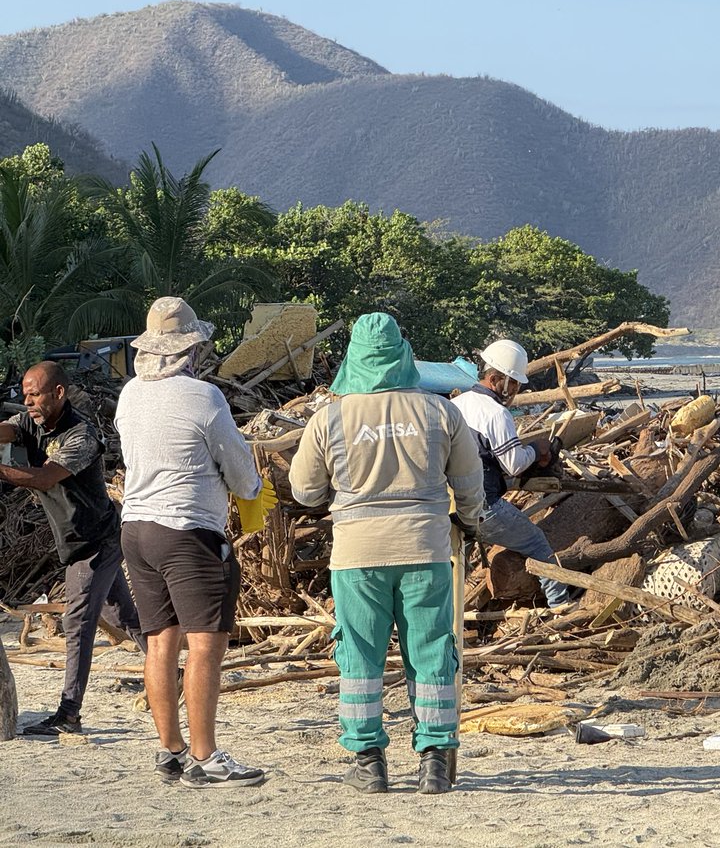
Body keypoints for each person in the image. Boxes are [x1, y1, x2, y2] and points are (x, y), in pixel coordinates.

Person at [289, 313, 485, 795]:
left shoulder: (329, 417)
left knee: (359, 656)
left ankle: (368, 761)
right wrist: (471, 521)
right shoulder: (441, 412)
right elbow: (470, 487)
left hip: (357, 554)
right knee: (433, 650)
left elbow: (304, 491)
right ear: (403, 353)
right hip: (426, 547)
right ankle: (436, 762)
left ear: (354, 357)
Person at [115, 297, 267, 787]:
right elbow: (241, 471)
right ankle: (206, 757)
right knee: (205, 645)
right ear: (189, 349)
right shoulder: (203, 398)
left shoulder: (130, 394)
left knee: (160, 641)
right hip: (187, 532)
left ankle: (170, 749)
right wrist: (251, 494)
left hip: (136, 530)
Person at [0, 361, 146, 737]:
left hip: (96, 542)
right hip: (81, 540)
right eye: (25, 394)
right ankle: (173, 672)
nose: (27, 401)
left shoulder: (81, 434)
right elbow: (7, 431)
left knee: (77, 623)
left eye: (34, 395)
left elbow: (45, 478)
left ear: (59, 393)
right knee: (124, 618)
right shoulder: (32, 422)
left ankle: (69, 713)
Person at [451, 339, 575, 612]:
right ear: (495, 379)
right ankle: (560, 609)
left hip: (450, 506)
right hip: (484, 507)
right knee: (539, 546)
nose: (515, 390)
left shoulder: (457, 404)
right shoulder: (496, 414)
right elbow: (513, 464)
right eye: (514, 383)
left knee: (455, 561)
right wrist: (536, 448)